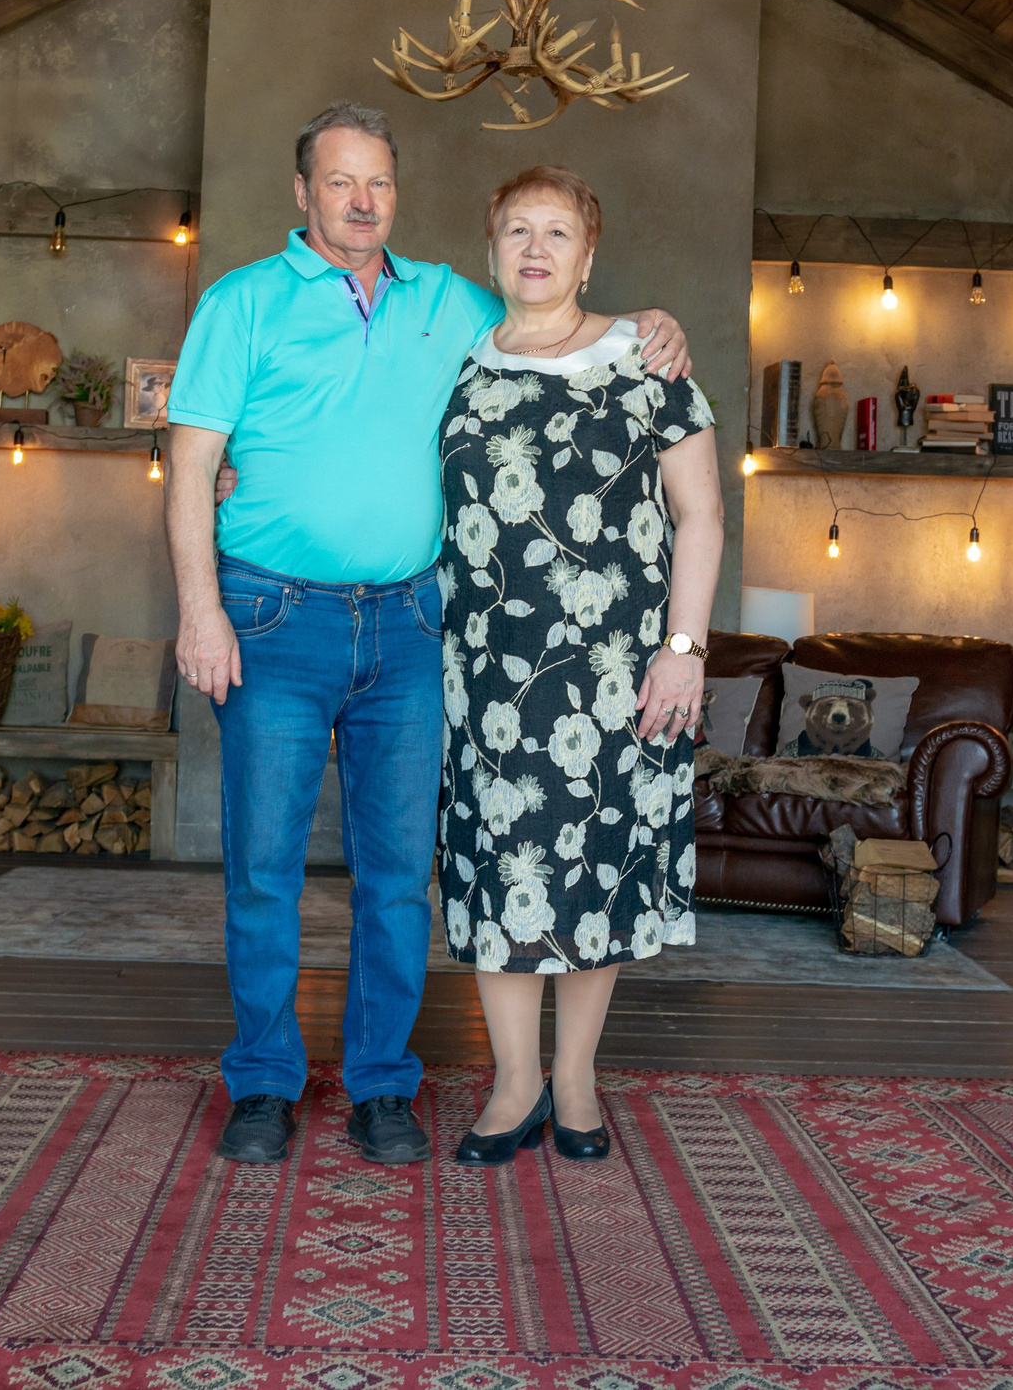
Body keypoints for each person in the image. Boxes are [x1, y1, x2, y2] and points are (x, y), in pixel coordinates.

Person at [162, 104, 691, 1168]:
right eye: (341, 182)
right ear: (302, 193)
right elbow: (188, 471)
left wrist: (651, 326)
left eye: (380, 184)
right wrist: (199, 608)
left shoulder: (449, 301)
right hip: (271, 616)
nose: (363, 202)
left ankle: (380, 1084)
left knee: (399, 873)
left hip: (411, 625)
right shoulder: (242, 303)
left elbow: (551, 326)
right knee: (264, 867)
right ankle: (263, 1081)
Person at [437, 164, 721, 1166]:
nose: (535, 248)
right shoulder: (458, 360)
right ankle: (513, 1084)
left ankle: (574, 1079)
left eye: (557, 232)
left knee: (594, 872)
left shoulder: (646, 359)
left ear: (588, 253)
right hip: (486, 675)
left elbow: (701, 516)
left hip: (616, 675)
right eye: (516, 228)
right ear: (491, 247)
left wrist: (682, 652)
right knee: (499, 879)